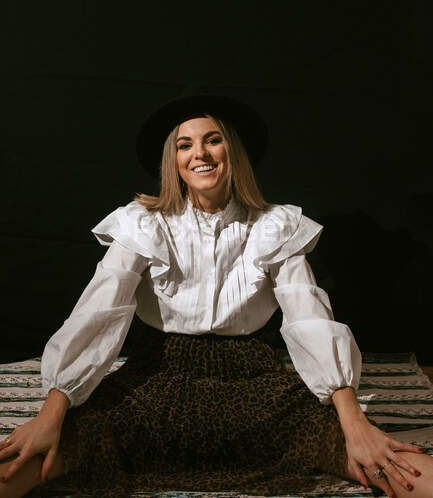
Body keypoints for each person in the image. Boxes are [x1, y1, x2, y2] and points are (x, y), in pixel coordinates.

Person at [0, 89, 432, 498]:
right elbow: (101, 308)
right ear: (173, 160)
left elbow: (308, 316)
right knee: (27, 462)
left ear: (234, 152)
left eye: (213, 140)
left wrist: (354, 422)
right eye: (184, 145)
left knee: (393, 465)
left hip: (257, 388)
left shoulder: (274, 225)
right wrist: (50, 413)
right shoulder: (142, 223)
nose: (200, 154)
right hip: (153, 385)